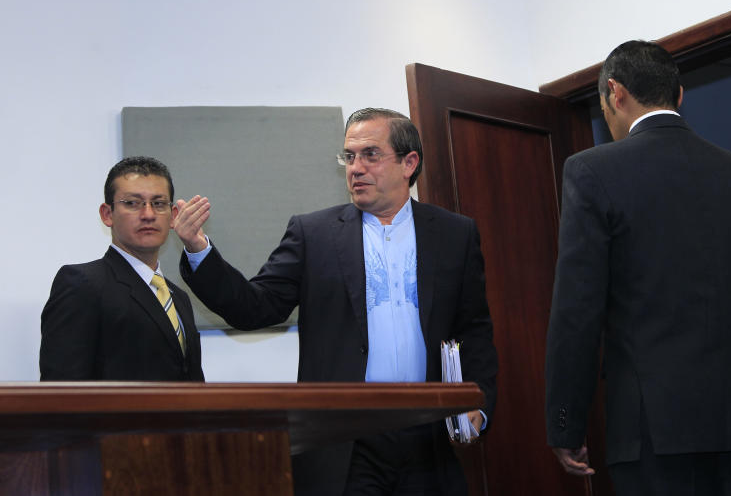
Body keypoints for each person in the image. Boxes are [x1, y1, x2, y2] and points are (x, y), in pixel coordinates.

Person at [174, 108, 497, 496]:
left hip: (428, 436)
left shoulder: (453, 234)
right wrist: (199, 251)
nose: (355, 168)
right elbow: (254, 307)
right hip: (344, 442)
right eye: (349, 156)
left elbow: (474, 329)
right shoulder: (314, 234)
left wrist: (479, 403)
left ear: (409, 163)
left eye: (370, 155)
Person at [545, 40, 731, 495]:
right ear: (679, 95)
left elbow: (576, 312)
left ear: (615, 94)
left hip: (655, 436)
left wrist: (565, 424)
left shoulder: (591, 171)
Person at [40, 156, 204, 381]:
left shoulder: (179, 297)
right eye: (132, 203)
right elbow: (61, 392)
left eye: (158, 203)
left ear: (173, 216)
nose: (148, 214)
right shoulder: (81, 285)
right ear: (107, 214)